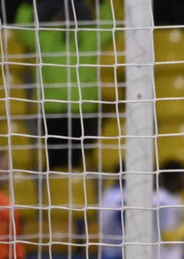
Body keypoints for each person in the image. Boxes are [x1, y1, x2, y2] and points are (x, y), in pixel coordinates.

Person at [14, 0, 114, 168]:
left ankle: (77, 191)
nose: (67, 17)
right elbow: (22, 31)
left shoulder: (89, 37)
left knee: (77, 162)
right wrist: (27, 4)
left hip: (83, 110)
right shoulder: (46, 37)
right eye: (63, 13)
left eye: (71, 13)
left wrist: (102, 3)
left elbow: (111, 27)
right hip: (52, 110)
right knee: (55, 162)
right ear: (57, 16)